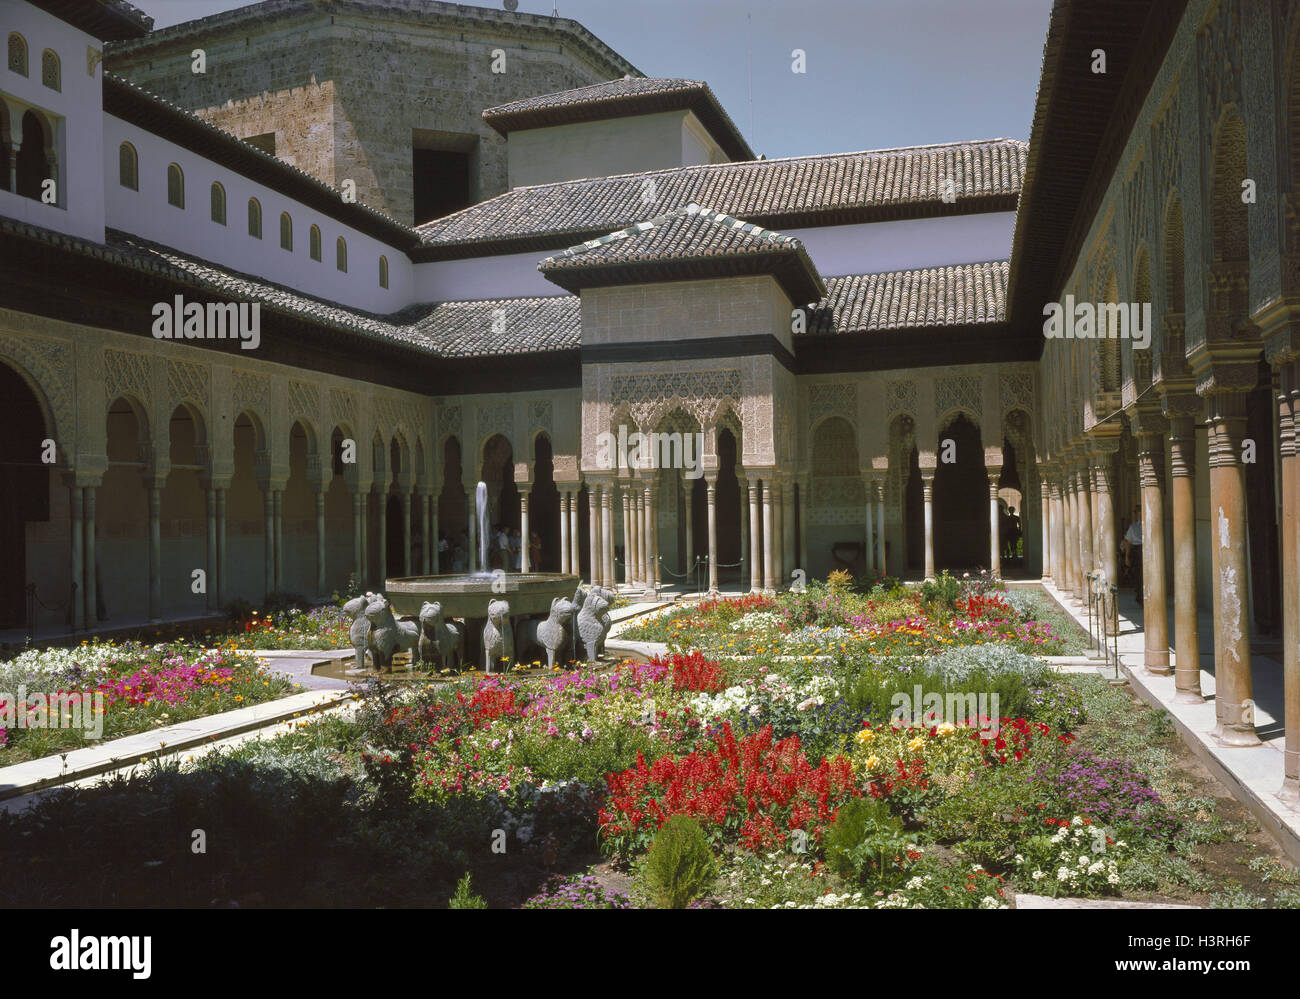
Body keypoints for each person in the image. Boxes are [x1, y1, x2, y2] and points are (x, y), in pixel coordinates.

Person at [1122, 505, 1143, 594]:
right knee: (1137, 573)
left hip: (1146, 549)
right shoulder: (1133, 526)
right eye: (1138, 513)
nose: (1139, 515)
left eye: (1140, 512)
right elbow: (1128, 542)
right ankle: (1139, 592)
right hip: (1137, 551)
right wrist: (1127, 557)